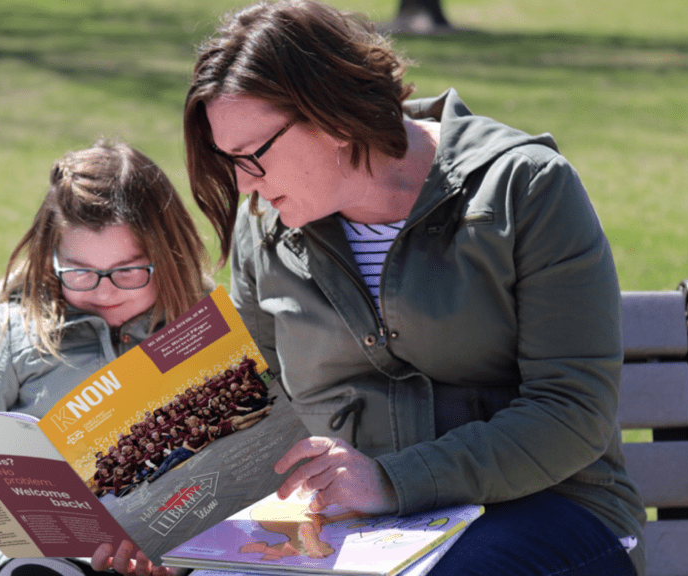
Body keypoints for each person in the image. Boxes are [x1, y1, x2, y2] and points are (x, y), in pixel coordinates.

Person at [136, 1, 644, 575]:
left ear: (329, 115)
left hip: (549, 514)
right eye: (228, 162)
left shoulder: (524, 189)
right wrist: (150, 525)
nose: (243, 185)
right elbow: (249, 407)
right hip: (354, 533)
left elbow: (570, 412)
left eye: (251, 155)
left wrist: (388, 481)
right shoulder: (266, 227)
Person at [0, 139, 211, 576]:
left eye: (129, 270)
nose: (103, 290)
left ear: (169, 256)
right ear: (51, 259)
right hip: (44, 556)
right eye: (79, 272)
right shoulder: (16, 328)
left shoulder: (201, 326)